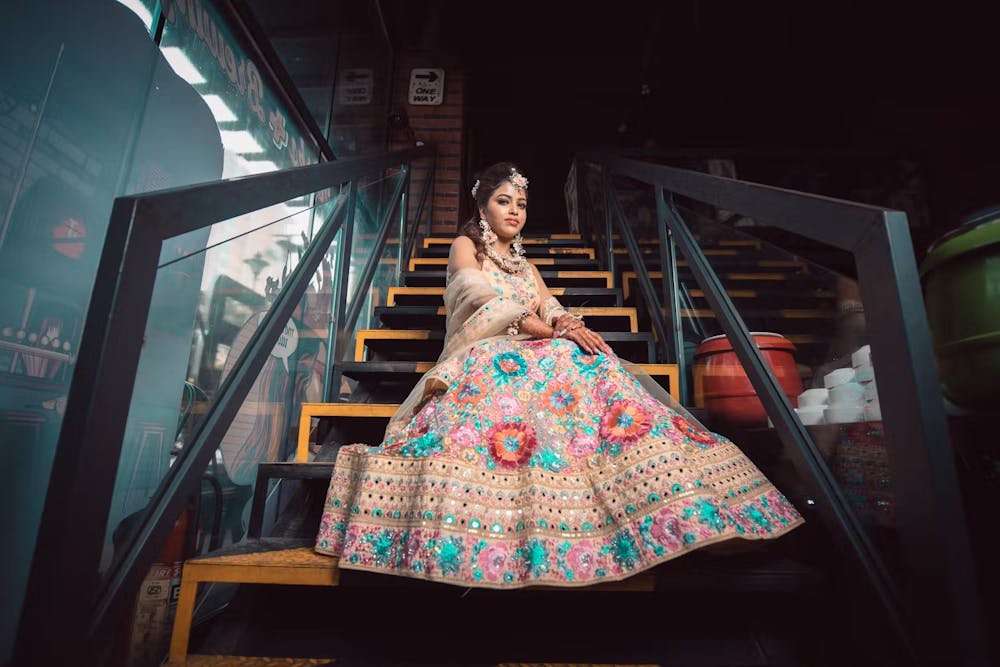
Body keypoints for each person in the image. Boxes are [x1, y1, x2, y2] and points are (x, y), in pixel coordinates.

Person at [315, 162, 803, 588]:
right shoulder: (466, 246)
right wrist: (536, 327)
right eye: (503, 201)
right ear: (482, 206)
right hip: (488, 347)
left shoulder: (524, 264)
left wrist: (569, 325)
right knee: (535, 365)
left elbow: (550, 305)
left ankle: (674, 504)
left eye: (521, 204)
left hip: (538, 346)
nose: (514, 211)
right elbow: (475, 296)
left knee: (592, 361)